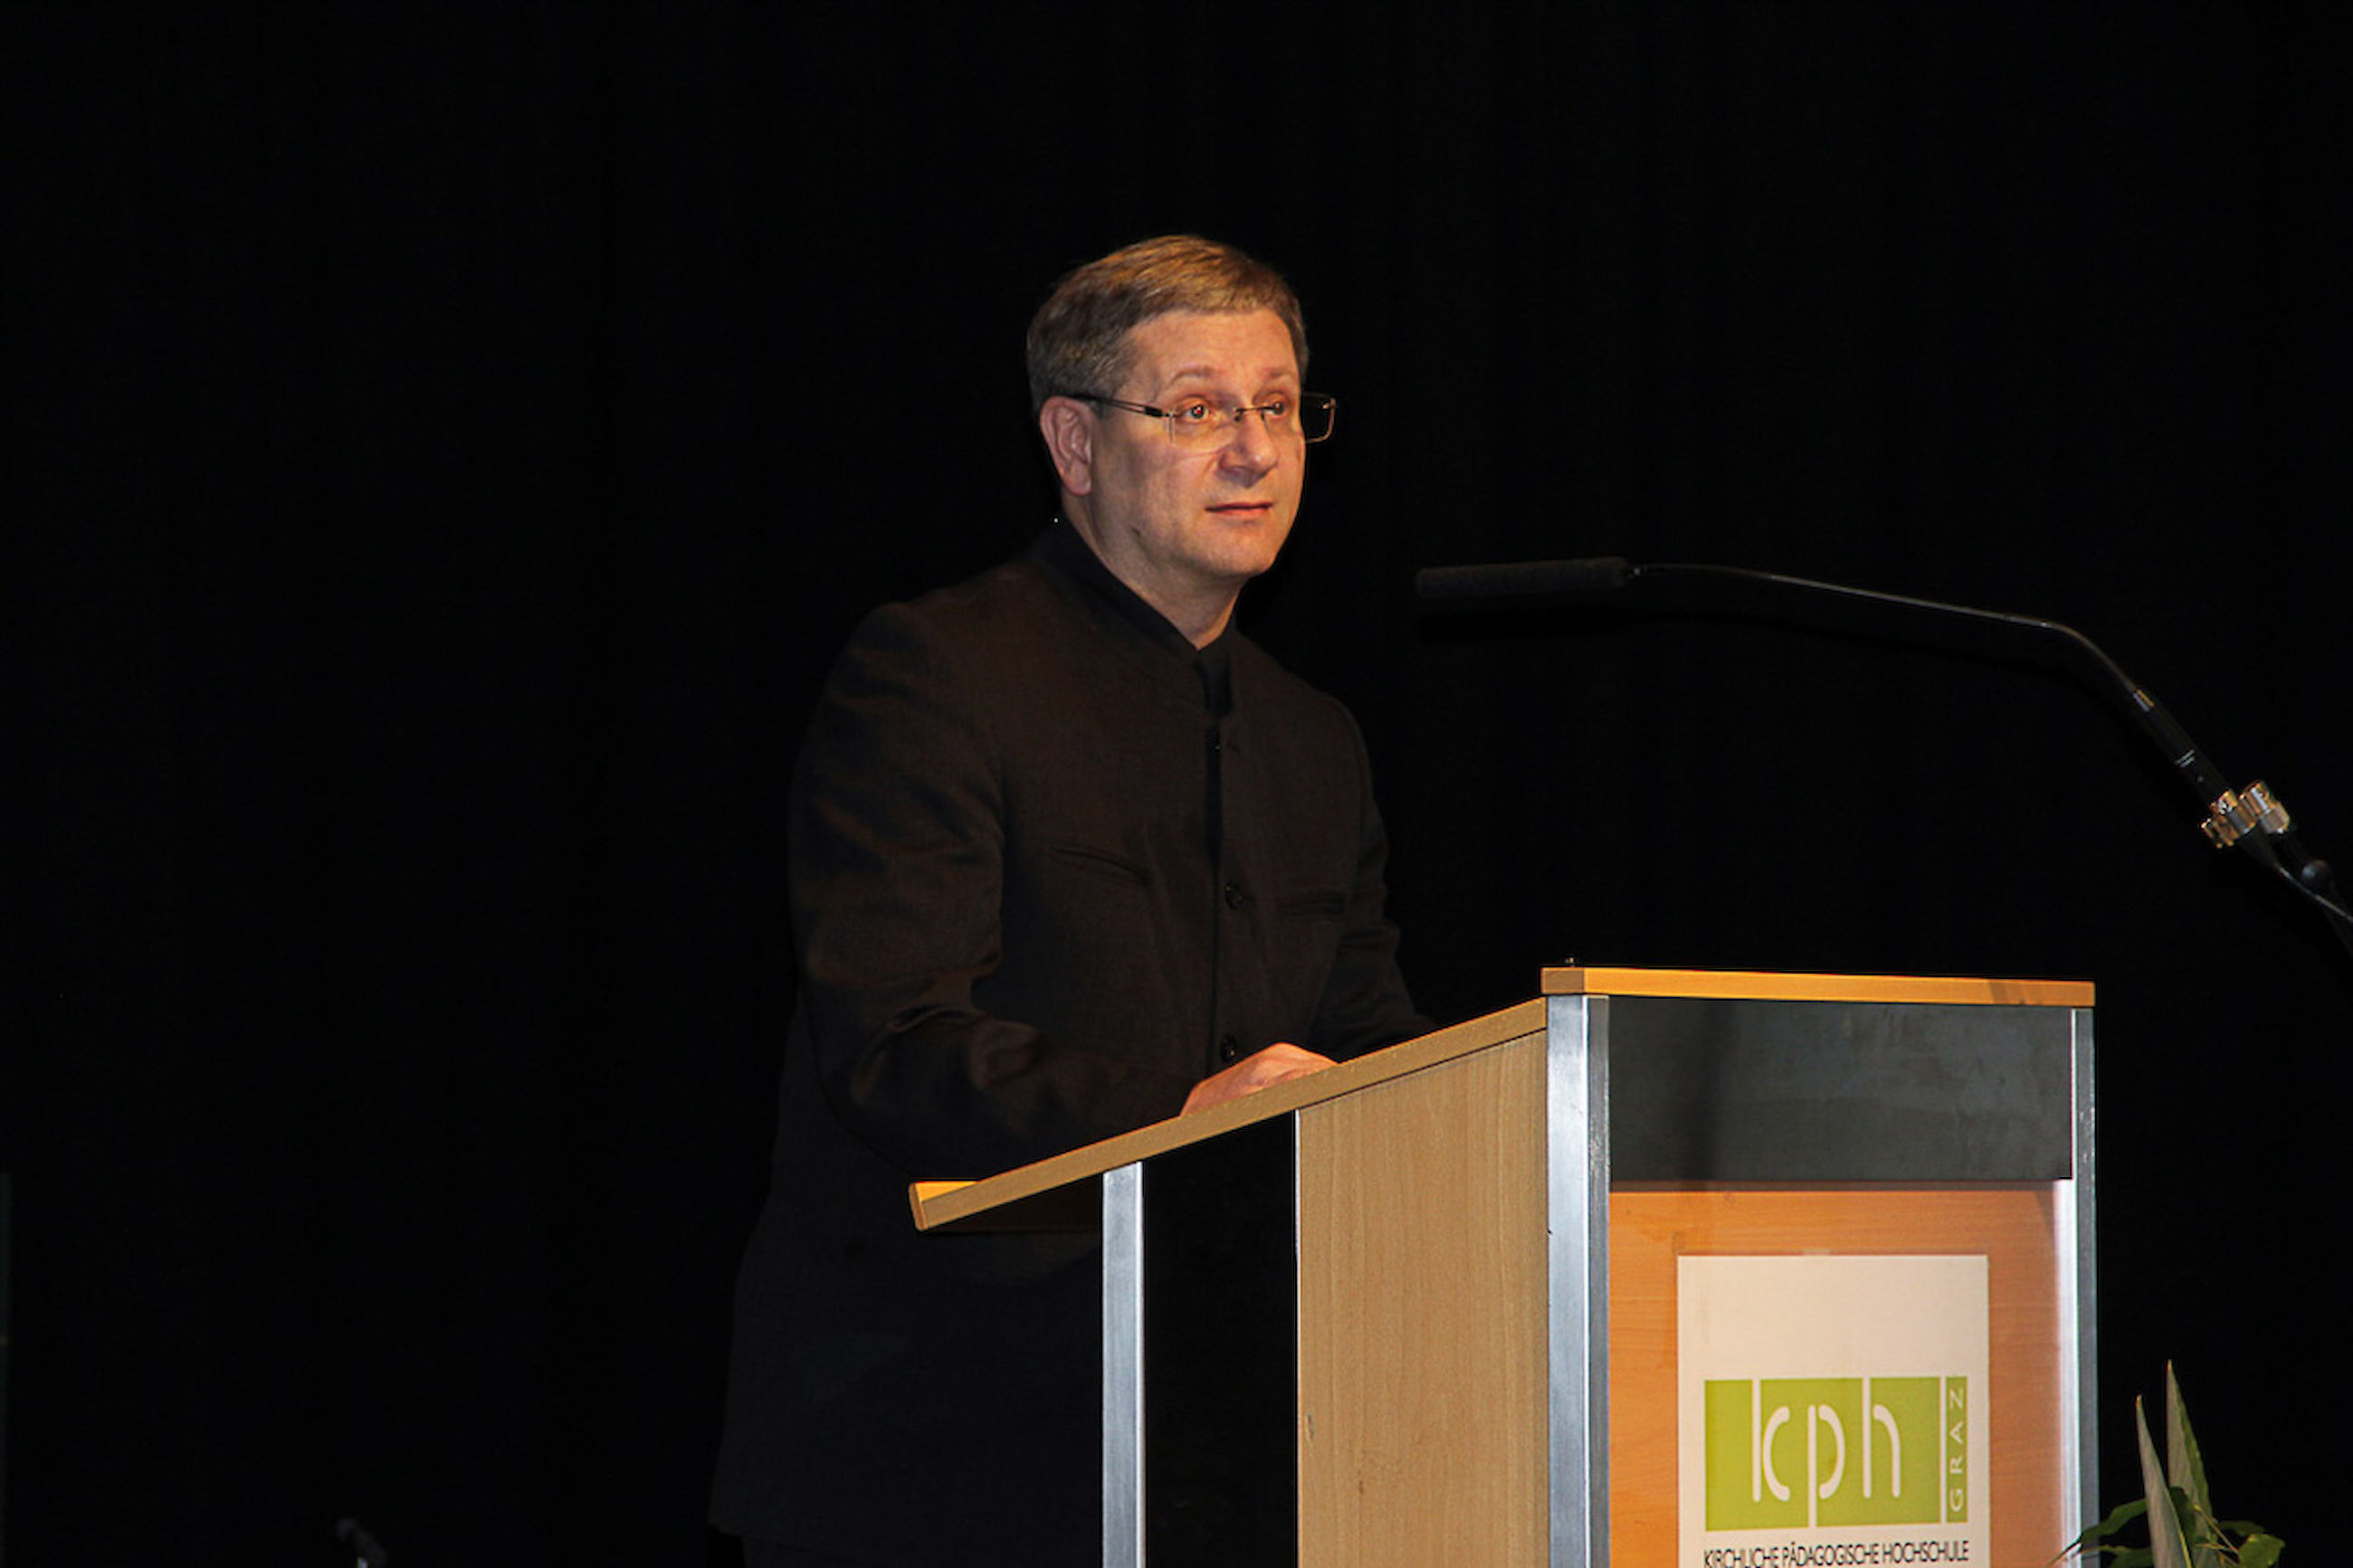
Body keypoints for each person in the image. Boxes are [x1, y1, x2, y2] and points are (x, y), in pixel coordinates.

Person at [711, 234, 1429, 1565]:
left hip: (1232, 1433)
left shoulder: (1315, 739)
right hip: (941, 1437)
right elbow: (894, 1041)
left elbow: (1366, 1034)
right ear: (1074, 441)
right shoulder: (936, 675)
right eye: (1199, 409)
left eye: (1279, 406)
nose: (1256, 452)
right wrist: (1184, 1117)